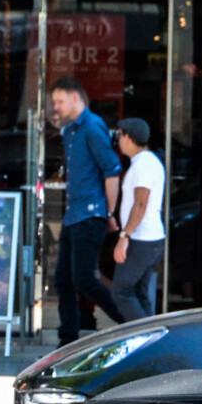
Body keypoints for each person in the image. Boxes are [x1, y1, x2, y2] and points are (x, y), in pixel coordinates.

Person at [49, 77, 123, 344]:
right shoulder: (70, 131)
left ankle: (128, 322)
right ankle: (67, 340)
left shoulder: (92, 127)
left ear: (75, 98)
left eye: (59, 101)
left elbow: (111, 169)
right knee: (63, 280)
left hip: (90, 214)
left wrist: (110, 213)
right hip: (74, 214)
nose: (56, 107)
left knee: (84, 278)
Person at [111, 117, 166, 319]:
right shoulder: (148, 162)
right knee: (139, 294)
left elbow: (140, 203)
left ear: (128, 138)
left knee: (122, 291)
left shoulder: (143, 165)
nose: (118, 140)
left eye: (119, 135)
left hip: (141, 239)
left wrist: (124, 237)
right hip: (150, 239)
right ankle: (151, 342)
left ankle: (143, 338)